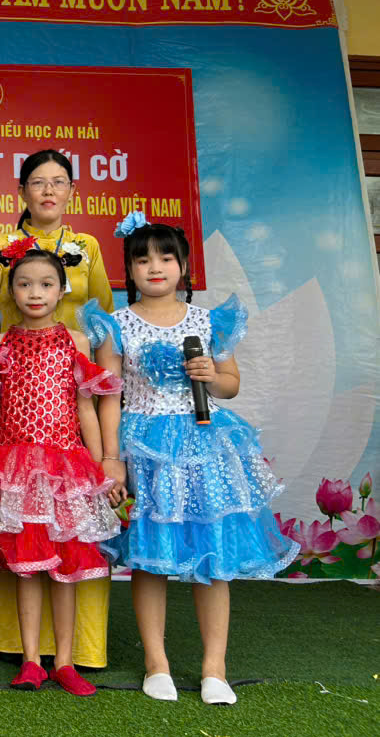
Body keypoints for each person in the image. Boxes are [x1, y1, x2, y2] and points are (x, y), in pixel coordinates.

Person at [86, 212, 298, 705]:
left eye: (166, 258)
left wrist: (210, 376)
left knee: (214, 554)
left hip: (203, 444)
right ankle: (156, 663)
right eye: (142, 259)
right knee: (150, 556)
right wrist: (112, 457)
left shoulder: (206, 322)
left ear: (183, 266)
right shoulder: (116, 325)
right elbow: (108, 396)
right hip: (146, 446)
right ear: (129, 269)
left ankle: (214, 668)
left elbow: (231, 384)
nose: (154, 267)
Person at [0, 148, 115, 668]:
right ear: (22, 191)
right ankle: (20, 650)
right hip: (16, 394)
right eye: (38, 182)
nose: (48, 190)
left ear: (72, 191)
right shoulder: (0, 245)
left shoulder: (87, 246)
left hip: (70, 392)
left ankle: (76, 655)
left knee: (72, 544)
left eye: (58, 182)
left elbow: (103, 318)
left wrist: (102, 385)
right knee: (20, 543)